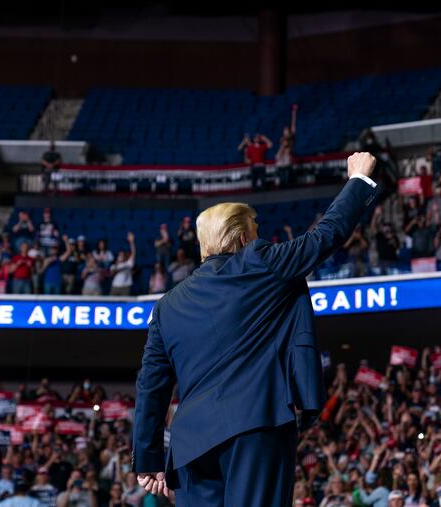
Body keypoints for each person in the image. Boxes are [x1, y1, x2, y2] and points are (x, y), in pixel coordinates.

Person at [132, 152, 377, 504]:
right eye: (256, 232)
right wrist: (357, 180)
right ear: (244, 238)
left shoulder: (167, 305)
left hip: (190, 447)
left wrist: (148, 458)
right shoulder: (258, 263)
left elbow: (150, 385)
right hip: (255, 426)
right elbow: (324, 237)